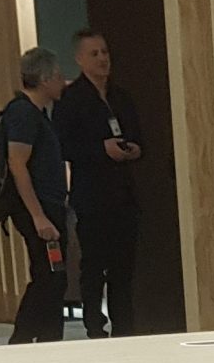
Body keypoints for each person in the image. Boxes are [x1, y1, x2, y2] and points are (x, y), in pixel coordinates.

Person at [54, 29, 146, 339]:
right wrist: (100, 149)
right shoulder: (71, 99)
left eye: (105, 52)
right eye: (94, 54)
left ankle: (125, 329)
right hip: (92, 197)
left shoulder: (121, 96)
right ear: (79, 59)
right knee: (94, 266)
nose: (103, 59)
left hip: (123, 195)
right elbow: (63, 146)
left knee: (123, 268)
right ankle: (95, 326)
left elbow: (138, 136)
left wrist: (134, 149)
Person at [2, 47, 70, 343]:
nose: (63, 82)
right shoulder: (23, 113)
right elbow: (17, 164)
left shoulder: (38, 114)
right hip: (39, 209)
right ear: (44, 79)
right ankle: (21, 342)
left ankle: (48, 342)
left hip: (49, 206)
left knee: (54, 278)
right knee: (49, 277)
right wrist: (39, 216)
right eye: (58, 76)